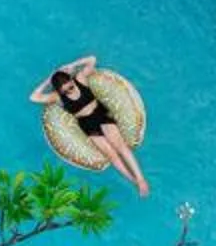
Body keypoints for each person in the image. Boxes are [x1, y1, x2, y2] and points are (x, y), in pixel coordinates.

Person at [29, 55, 148, 196]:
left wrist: (70, 66)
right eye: (65, 91)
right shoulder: (57, 97)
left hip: (100, 115)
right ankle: (134, 181)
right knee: (112, 156)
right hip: (87, 124)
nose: (69, 91)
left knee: (120, 147)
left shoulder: (80, 79)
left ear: (71, 80)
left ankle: (141, 179)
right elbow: (33, 97)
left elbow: (92, 59)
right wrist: (49, 80)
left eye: (70, 87)